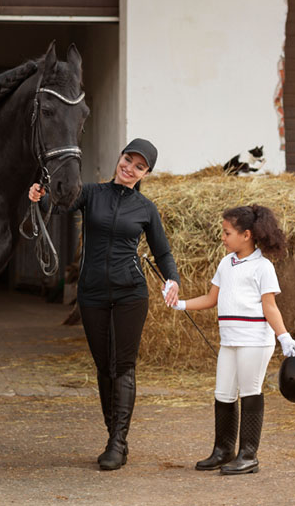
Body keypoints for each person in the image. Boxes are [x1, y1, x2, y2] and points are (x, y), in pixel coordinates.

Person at [29, 138, 180, 471]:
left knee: (122, 366)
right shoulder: (91, 193)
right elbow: (58, 205)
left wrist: (173, 279)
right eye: (127, 160)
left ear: (146, 174)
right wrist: (40, 197)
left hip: (131, 294)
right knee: (103, 366)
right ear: (119, 158)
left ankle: (117, 442)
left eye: (139, 167)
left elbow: (163, 252)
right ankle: (114, 434)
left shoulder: (146, 208)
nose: (130, 168)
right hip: (92, 293)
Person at [164, 204, 295, 475]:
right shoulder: (226, 263)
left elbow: (269, 306)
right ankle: (223, 450)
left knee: (250, 392)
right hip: (229, 341)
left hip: (254, 341)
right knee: (223, 393)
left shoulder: (263, 267)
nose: (222, 237)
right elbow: (211, 298)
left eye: (227, 233)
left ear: (246, 235)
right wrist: (180, 304)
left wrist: (284, 336)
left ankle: (248, 455)